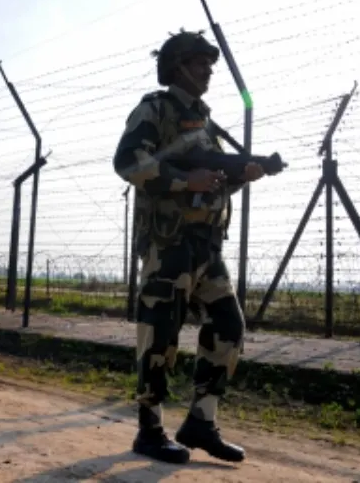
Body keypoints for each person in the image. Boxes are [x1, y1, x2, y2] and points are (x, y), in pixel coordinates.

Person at [113, 29, 267, 464]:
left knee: (229, 327)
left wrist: (241, 176)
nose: (209, 71)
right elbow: (127, 162)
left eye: (210, 64)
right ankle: (150, 429)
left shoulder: (204, 123)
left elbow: (211, 185)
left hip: (206, 247)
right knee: (160, 335)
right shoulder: (155, 110)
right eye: (201, 63)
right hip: (169, 244)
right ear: (178, 66)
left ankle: (201, 421)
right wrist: (183, 181)